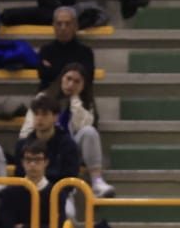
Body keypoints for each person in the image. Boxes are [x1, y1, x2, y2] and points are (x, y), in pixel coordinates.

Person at [21, 62, 113, 198]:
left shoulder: (86, 104)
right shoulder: (43, 97)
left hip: (70, 148)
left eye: (77, 82)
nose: (71, 85)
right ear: (61, 78)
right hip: (45, 144)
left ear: (83, 85)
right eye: (68, 79)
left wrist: (75, 101)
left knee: (89, 131)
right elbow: (26, 131)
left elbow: (82, 127)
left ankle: (97, 181)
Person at [0, 141, 57, 228]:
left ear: (46, 162)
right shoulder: (9, 193)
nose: (33, 164)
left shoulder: (56, 193)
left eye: (38, 160)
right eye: (28, 160)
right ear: (22, 162)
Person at [37, 5, 95, 90]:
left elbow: (86, 79)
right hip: (49, 96)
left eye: (67, 24)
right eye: (59, 24)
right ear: (53, 26)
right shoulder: (45, 51)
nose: (63, 28)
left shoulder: (85, 52)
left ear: (75, 26)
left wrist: (53, 70)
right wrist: (71, 74)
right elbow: (43, 76)